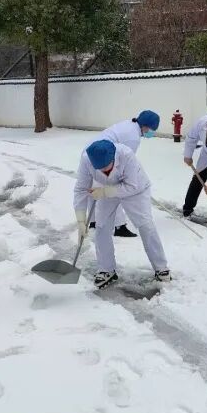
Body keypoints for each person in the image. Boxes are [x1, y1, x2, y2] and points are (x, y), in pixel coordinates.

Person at [74, 139, 170, 289]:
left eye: (107, 168)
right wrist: (81, 220)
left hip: (135, 190)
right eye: (100, 169)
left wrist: (105, 192)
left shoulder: (126, 154)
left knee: (145, 225)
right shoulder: (87, 159)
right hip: (105, 189)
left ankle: (161, 268)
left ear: (113, 157)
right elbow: (80, 189)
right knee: (102, 226)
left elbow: (131, 186)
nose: (104, 172)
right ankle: (106, 269)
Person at [89, 110, 160, 238]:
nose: (152, 132)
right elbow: (127, 161)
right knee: (115, 190)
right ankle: (119, 226)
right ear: (145, 126)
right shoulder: (133, 138)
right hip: (104, 158)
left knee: (101, 188)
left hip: (95, 155)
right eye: (152, 129)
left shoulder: (130, 125)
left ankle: (94, 221)